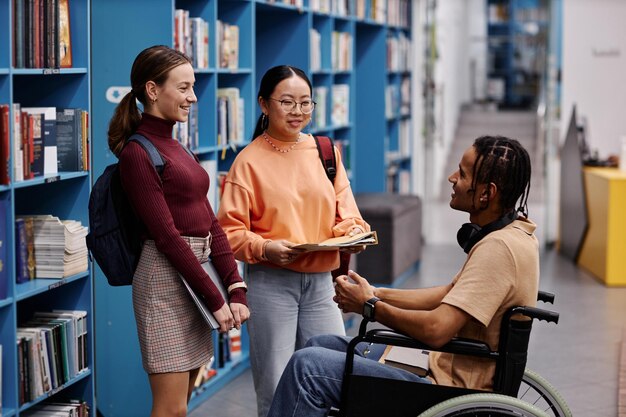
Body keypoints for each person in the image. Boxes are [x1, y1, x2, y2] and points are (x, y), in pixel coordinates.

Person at [266, 135, 539, 417]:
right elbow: (448, 294)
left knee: (307, 367)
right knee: (320, 344)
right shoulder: (515, 235)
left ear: (486, 193)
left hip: (445, 389)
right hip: (442, 370)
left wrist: (369, 308)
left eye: (463, 173)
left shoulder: (497, 249)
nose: (452, 178)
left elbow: (436, 330)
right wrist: (377, 293)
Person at [216, 64, 370, 417]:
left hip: (321, 285)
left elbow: (347, 213)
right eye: (286, 102)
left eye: (305, 102)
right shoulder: (248, 161)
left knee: (336, 374)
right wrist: (265, 247)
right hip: (271, 284)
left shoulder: (326, 152)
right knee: (275, 384)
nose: (298, 111)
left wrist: (352, 235)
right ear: (264, 105)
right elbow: (229, 232)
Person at [108, 45, 250, 417]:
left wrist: (235, 285)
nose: (192, 97)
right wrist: (216, 300)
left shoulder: (176, 144)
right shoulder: (138, 154)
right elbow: (168, 238)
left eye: (193, 87)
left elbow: (210, 221)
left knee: (182, 404)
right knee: (170, 409)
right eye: (184, 88)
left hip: (195, 274)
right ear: (153, 91)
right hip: (164, 286)